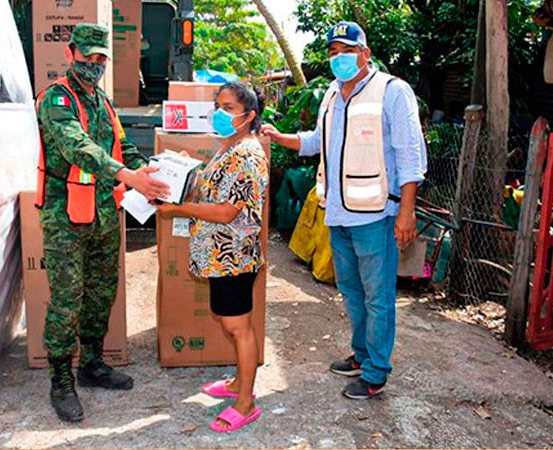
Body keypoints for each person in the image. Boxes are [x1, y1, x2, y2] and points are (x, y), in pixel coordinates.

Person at [261, 21, 427, 399]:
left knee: (378, 297)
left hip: (377, 215)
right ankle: (362, 354)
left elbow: (410, 154)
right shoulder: (332, 94)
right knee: (351, 291)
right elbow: (317, 142)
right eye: (333, 52)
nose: (339, 58)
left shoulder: (392, 91)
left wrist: (407, 211)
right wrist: (279, 136)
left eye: (347, 51)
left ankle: (376, 372)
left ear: (365, 53)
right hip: (338, 213)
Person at [35, 23, 170, 422]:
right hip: (65, 216)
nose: (94, 65)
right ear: (71, 54)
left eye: (100, 59)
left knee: (100, 293)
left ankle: (91, 364)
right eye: (87, 57)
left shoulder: (103, 101)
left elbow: (121, 146)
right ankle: (61, 380)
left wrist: (150, 172)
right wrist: (127, 176)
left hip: (104, 213)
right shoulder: (56, 99)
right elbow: (77, 147)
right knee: (67, 299)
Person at [157, 82, 269, 432]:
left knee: (238, 328)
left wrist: (178, 209)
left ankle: (246, 402)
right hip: (219, 256)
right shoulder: (229, 147)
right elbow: (214, 187)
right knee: (226, 319)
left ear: (249, 115)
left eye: (229, 108)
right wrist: (186, 168)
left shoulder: (247, 154)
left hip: (234, 256)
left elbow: (226, 211)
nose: (220, 113)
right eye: (217, 106)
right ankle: (238, 382)